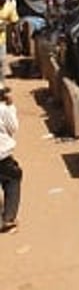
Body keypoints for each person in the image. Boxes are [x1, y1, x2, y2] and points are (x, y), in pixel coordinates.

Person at [0, 86, 20, 231]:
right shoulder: (3, 110)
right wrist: (11, 107)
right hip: (2, 154)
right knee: (12, 179)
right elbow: (13, 128)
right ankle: (8, 217)